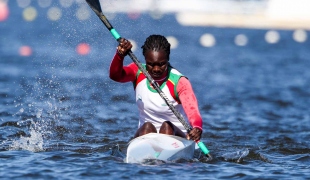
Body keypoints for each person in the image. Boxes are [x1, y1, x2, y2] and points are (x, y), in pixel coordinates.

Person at [109, 34, 203, 141]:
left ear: (167, 59)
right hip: (146, 135)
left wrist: (197, 128)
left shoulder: (179, 82)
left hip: (176, 137)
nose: (156, 69)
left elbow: (193, 111)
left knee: (167, 127)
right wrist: (120, 55)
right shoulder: (138, 72)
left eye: (161, 64)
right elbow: (115, 76)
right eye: (151, 64)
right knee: (147, 127)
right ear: (145, 60)